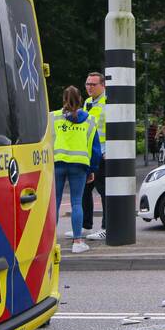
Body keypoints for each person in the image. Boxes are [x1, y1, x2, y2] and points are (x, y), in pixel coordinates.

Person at [52, 86, 101, 253]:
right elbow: (95, 149)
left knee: (55, 202)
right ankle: (78, 242)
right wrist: (91, 169)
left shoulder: (54, 117)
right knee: (76, 202)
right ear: (80, 99)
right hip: (79, 165)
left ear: (63, 99)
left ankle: (50, 242)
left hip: (57, 164)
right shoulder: (90, 120)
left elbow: (47, 141)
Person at [82, 72, 108, 240]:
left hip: (103, 153)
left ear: (102, 86)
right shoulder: (87, 103)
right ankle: (85, 225)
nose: (89, 87)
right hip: (89, 153)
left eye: (93, 84)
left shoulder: (109, 102)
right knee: (85, 189)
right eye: (87, 84)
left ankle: (107, 227)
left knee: (104, 190)